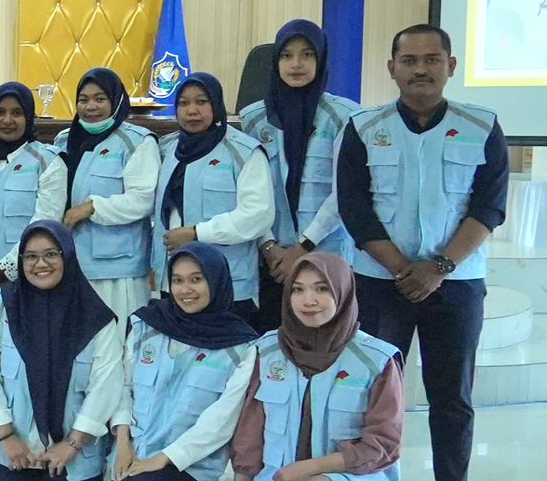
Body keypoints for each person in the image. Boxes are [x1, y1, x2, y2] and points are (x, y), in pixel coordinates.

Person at [335, 23, 507, 481]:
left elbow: (489, 207)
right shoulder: (365, 128)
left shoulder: (482, 126)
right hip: (379, 281)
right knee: (370, 387)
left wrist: (439, 268)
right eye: (409, 61)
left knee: (451, 391)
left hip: (456, 283)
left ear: (450, 66)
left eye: (432, 60)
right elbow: (355, 208)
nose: (420, 70)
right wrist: (401, 268)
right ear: (392, 68)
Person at [229, 253, 403, 481]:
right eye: (298, 289)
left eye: (322, 289)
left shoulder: (376, 359)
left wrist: (310, 468)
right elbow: (250, 434)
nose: (308, 300)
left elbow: (384, 444)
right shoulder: (267, 351)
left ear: (343, 293)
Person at [97, 244, 257, 481]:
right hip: (135, 450)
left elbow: (221, 422)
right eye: (178, 280)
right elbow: (123, 388)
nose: (186, 290)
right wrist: (123, 442)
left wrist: (164, 458)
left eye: (197, 279)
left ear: (217, 281)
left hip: (190, 463)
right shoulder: (145, 325)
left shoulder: (242, 346)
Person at [0, 221, 123, 481]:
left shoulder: (96, 317)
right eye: (30, 256)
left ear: (67, 256)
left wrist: (73, 444)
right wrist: (6, 436)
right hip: (11, 446)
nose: (40, 264)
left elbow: (105, 386)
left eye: (51, 254)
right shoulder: (0, 308)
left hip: (73, 448)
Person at [240, 20, 358, 332]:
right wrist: (269, 247)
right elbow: (249, 192)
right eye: (286, 55)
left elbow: (345, 191)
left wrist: (302, 247)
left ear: (321, 60)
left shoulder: (344, 115)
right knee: (272, 341)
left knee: (325, 340)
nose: (296, 64)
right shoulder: (253, 118)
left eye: (307, 54)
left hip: (326, 253)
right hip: (272, 259)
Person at [151, 72, 274, 323]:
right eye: (183, 103)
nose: (192, 111)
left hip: (228, 285)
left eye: (201, 102)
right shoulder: (165, 149)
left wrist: (198, 233)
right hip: (174, 283)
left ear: (216, 105)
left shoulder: (244, 151)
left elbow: (258, 215)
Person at [56, 68, 160, 320]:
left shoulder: (137, 141)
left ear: (116, 100)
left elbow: (143, 199)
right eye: (83, 99)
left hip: (119, 268)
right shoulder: (63, 141)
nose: (90, 106)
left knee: (120, 336)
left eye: (100, 99)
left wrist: (91, 208)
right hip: (69, 261)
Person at [0, 82, 65, 311]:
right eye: (0, 112)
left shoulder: (47, 161)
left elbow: (46, 221)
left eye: (17, 113)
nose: (7, 120)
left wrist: (9, 267)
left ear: (29, 116)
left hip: (30, 280)